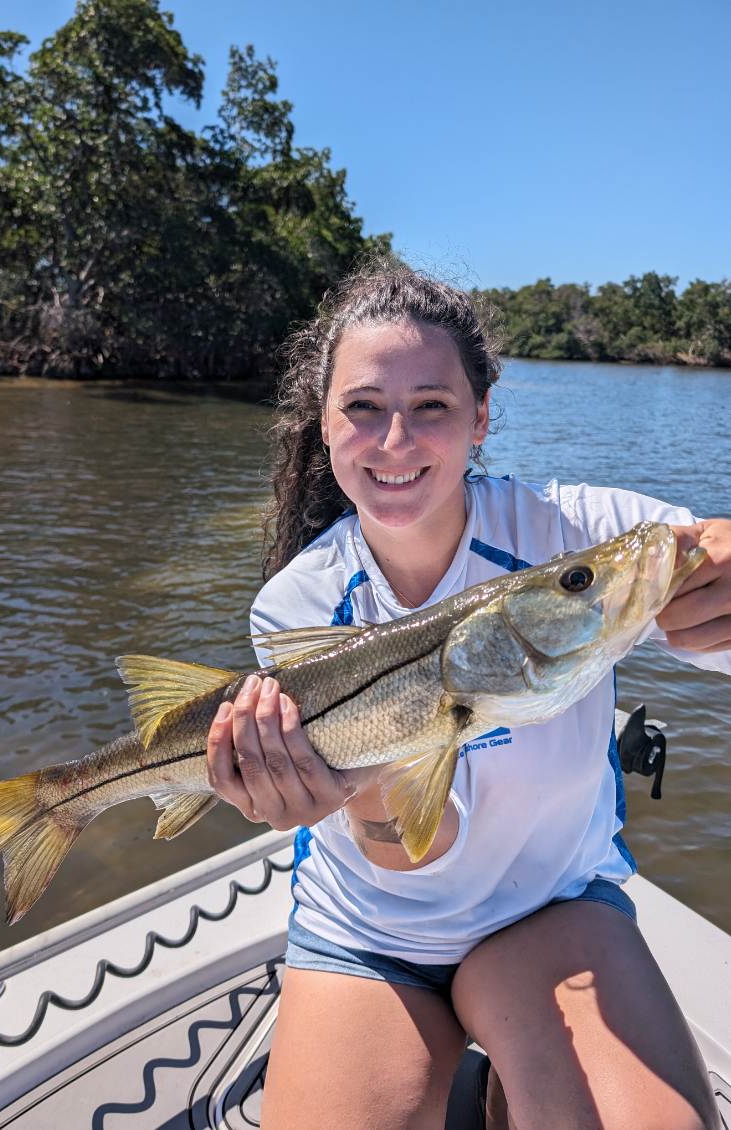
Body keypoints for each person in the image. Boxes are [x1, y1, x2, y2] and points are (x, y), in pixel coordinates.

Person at [206, 261, 731, 1129]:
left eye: (433, 407)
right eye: (363, 408)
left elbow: (694, 580)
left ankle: (510, 1085)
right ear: (323, 424)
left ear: (481, 418)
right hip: (372, 927)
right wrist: (354, 788)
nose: (395, 441)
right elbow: (406, 851)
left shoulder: (574, 539)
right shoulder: (297, 607)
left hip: (553, 906)